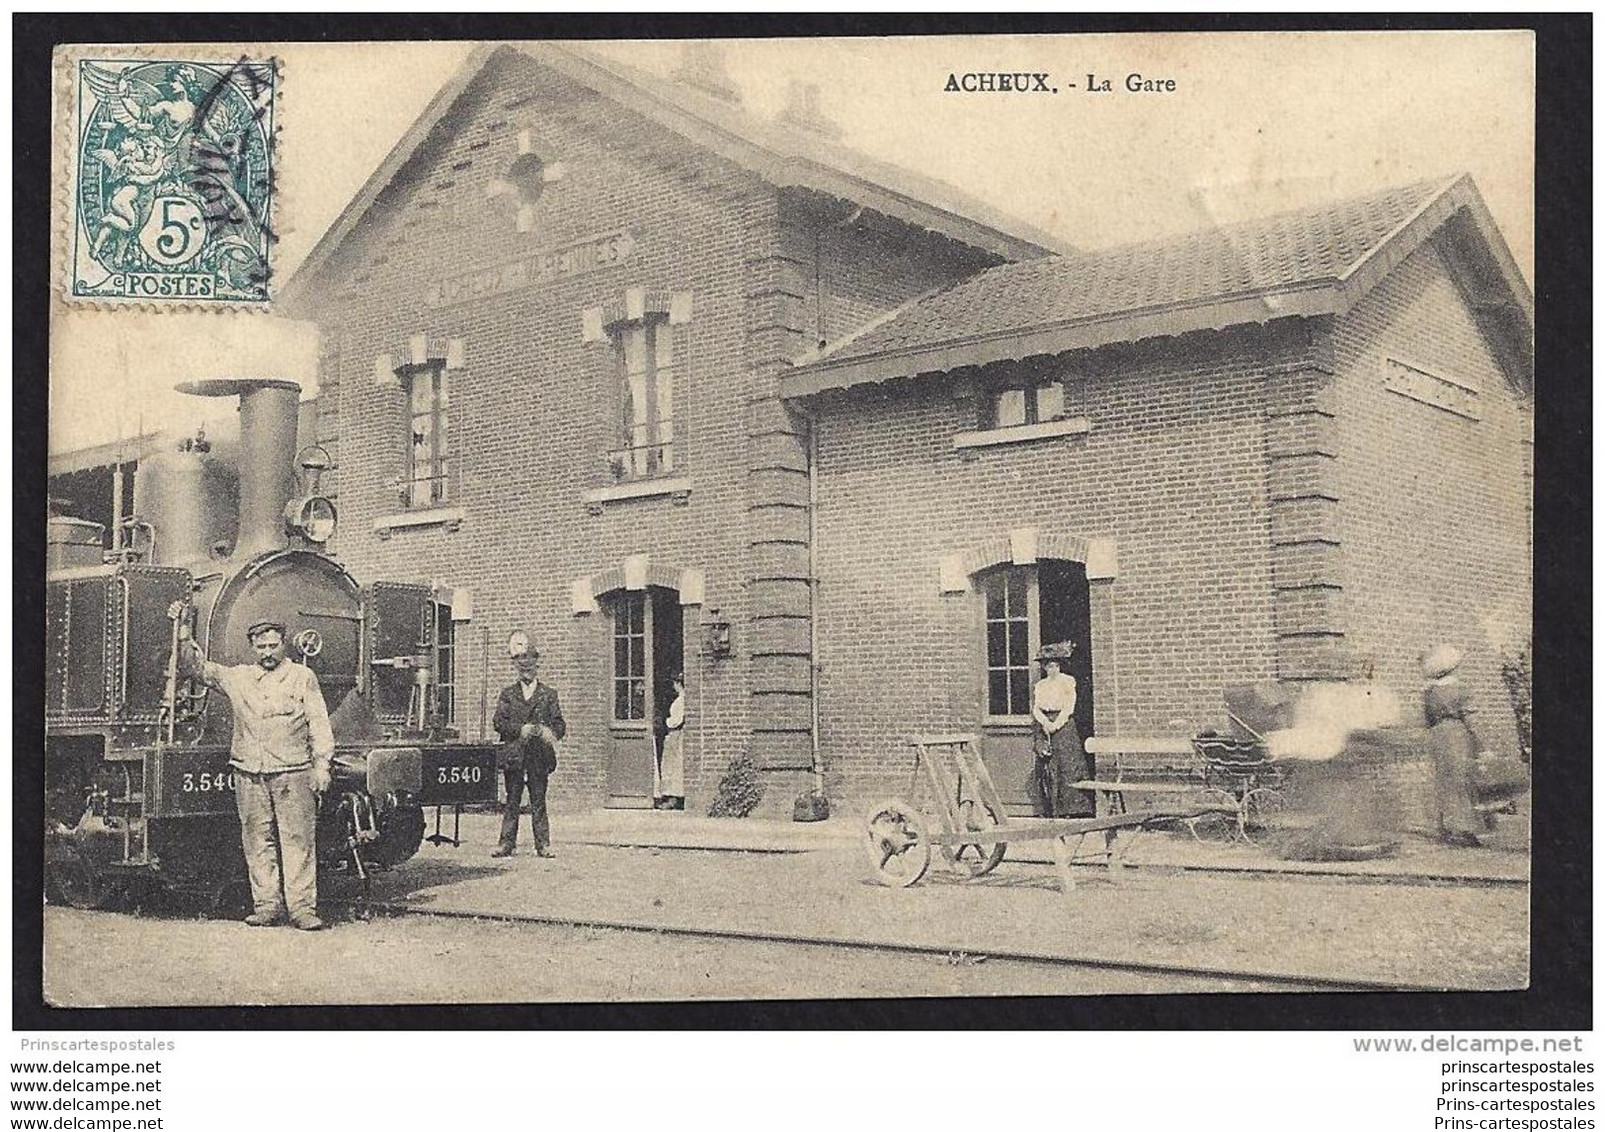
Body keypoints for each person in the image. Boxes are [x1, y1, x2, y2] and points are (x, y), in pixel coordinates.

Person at [175, 614, 334, 930]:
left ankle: (302, 910)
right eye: (261, 647)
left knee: (298, 841)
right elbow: (199, 669)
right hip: (249, 772)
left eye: (273, 645)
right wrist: (182, 635)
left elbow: (319, 723)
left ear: (283, 644)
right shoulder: (239, 678)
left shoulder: (303, 677)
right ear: (252, 647)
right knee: (257, 841)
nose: (267, 652)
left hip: (293, 772)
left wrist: (322, 766)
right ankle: (267, 907)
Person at [491, 632, 566, 858]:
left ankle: (543, 844)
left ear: (536, 664)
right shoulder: (508, 694)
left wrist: (549, 732)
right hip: (514, 754)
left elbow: (560, 724)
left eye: (530, 663)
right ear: (516, 667)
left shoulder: (548, 694)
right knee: (512, 800)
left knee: (538, 801)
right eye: (521, 664)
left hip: (539, 756)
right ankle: (506, 844)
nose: (526, 668)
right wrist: (518, 730)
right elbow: (498, 722)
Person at [1421, 644, 1483, 847]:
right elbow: (1470, 719)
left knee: (1444, 780)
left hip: (1438, 735)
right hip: (1457, 734)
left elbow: (1427, 719)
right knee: (1461, 779)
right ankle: (1464, 830)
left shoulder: (1430, 691)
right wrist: (1482, 744)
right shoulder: (1460, 689)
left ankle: (1445, 827)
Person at [1031, 642, 1093, 818]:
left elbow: (1068, 707)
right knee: (1048, 766)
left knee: (1067, 765)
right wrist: (1044, 722)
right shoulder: (1040, 686)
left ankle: (1072, 810)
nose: (1053, 670)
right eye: (1049, 666)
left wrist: (1056, 724)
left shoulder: (1067, 681)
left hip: (1063, 725)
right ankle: (1051, 809)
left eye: (1055, 666)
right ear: (1044, 668)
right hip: (1046, 724)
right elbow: (1036, 708)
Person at [654, 674, 686, 810]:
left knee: (673, 766)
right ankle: (673, 796)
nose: (674, 686)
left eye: (675, 683)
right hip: (675, 734)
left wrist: (666, 722)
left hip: (675, 734)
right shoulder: (682, 700)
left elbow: (676, 720)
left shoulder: (681, 701)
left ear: (679, 684)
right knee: (673, 765)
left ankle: (674, 797)